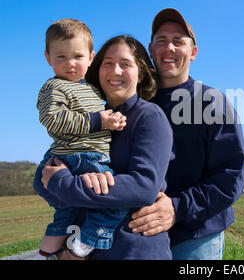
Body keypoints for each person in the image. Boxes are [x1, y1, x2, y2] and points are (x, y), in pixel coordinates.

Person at [40, 35, 174, 260]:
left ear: (141, 74)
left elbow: (144, 186)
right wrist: (56, 181)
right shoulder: (89, 119)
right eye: (108, 63)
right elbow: (47, 180)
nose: (115, 71)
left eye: (126, 64)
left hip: (133, 251)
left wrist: (68, 183)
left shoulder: (149, 117)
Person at [128, 8, 244, 259]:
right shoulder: (136, 102)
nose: (169, 47)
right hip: (141, 238)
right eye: (161, 40)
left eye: (178, 42)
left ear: (193, 53)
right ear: (150, 49)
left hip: (195, 239)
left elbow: (231, 177)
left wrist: (176, 208)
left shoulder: (211, 103)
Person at [33, 19, 128, 259]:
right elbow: (54, 120)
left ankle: (48, 250)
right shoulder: (54, 87)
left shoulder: (92, 88)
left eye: (77, 56)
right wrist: (99, 121)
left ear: (90, 57)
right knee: (116, 199)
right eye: (61, 57)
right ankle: (87, 240)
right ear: (48, 58)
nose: (70, 64)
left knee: (67, 211)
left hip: (86, 155)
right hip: (76, 156)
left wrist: (112, 121)